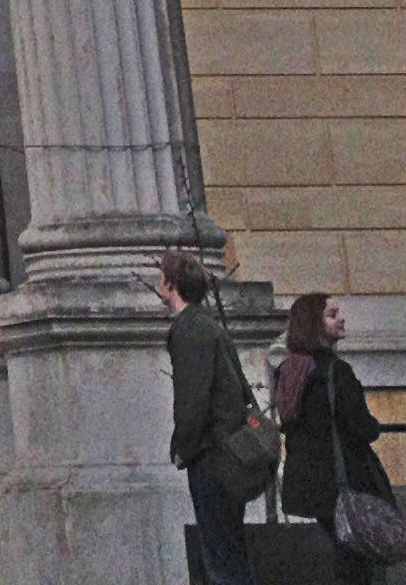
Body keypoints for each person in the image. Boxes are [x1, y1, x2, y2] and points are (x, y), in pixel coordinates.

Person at [275, 292, 394, 581]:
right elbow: (361, 427)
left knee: (343, 551)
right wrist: (373, 425)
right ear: (314, 325)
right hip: (343, 481)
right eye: (332, 314)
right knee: (357, 559)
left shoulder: (288, 372)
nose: (342, 319)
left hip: (309, 482)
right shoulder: (336, 372)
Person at [158, 249, 258, 585]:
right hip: (229, 452)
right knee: (230, 549)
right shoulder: (210, 326)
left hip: (212, 454)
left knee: (221, 555)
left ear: (172, 285)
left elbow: (192, 398)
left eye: (162, 278)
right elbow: (240, 390)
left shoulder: (188, 330)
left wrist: (182, 446)